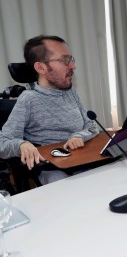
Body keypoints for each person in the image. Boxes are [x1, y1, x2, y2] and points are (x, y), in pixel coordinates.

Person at [0, 35, 99, 184]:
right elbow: (3, 142)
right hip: (53, 169)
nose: (72, 66)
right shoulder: (28, 100)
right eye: (65, 60)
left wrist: (79, 136)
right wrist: (21, 144)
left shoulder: (70, 93)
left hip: (82, 160)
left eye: (71, 59)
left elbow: (91, 126)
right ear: (41, 67)